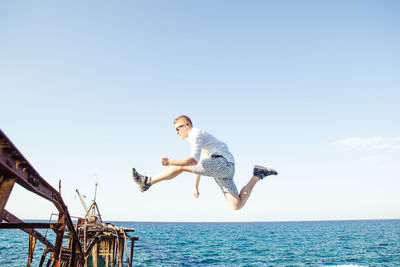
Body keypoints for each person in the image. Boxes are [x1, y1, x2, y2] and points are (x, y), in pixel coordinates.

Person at [131, 115, 278, 210]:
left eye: (177, 129)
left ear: (186, 126)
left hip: (222, 164)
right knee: (236, 205)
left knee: (181, 165)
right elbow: (199, 165)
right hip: (224, 169)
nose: (177, 133)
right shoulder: (200, 141)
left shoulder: (195, 134)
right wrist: (195, 187)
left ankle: (147, 182)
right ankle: (257, 175)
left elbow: (192, 162)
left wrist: (170, 161)